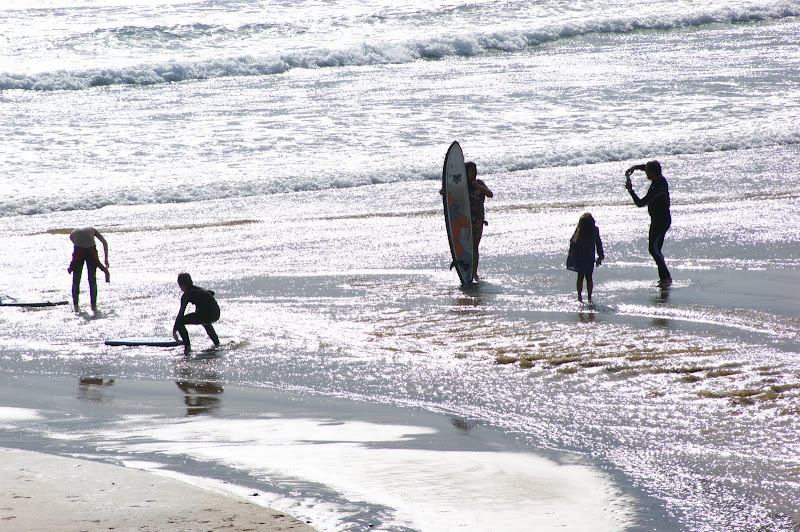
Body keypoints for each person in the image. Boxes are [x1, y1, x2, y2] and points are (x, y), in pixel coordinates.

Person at [625, 160, 672, 286]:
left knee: (654, 249)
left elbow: (640, 203)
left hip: (661, 221)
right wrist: (635, 167)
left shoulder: (659, 187)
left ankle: (666, 278)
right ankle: (664, 278)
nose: (645, 173)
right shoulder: (658, 180)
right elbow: (647, 167)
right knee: (655, 249)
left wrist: (630, 190)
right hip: (656, 220)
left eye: (647, 171)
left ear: (652, 172)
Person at [173, 273, 220, 354]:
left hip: (207, 315)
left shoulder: (187, 295)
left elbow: (181, 314)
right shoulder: (199, 290)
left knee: (180, 322)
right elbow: (211, 293)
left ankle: (187, 348)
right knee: (206, 322)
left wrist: (175, 329)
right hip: (216, 313)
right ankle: (217, 344)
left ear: (181, 284)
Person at [67, 226, 110, 312]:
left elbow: (76, 250)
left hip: (79, 251)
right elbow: (104, 242)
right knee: (92, 279)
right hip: (91, 251)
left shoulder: (72, 234)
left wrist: (72, 266)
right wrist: (106, 259)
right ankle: (93, 305)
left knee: (76, 280)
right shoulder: (92, 230)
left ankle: (75, 305)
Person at [566, 213, 604, 303]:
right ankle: (589, 298)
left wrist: (571, 253)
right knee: (589, 277)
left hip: (580, 256)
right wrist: (600, 255)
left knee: (580, 277)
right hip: (589, 257)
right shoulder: (594, 230)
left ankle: (579, 297)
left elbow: (572, 242)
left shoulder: (580, 229)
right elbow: (598, 243)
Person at [465, 161, 493, 281]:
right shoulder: (463, 185)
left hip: (478, 220)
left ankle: (474, 272)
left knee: (475, 246)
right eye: (472, 171)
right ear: (466, 172)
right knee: (467, 246)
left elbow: (490, 194)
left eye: (475, 170)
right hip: (465, 220)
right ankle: (466, 270)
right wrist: (443, 191)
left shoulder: (479, 183)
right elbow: (451, 192)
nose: (474, 173)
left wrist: (479, 187)